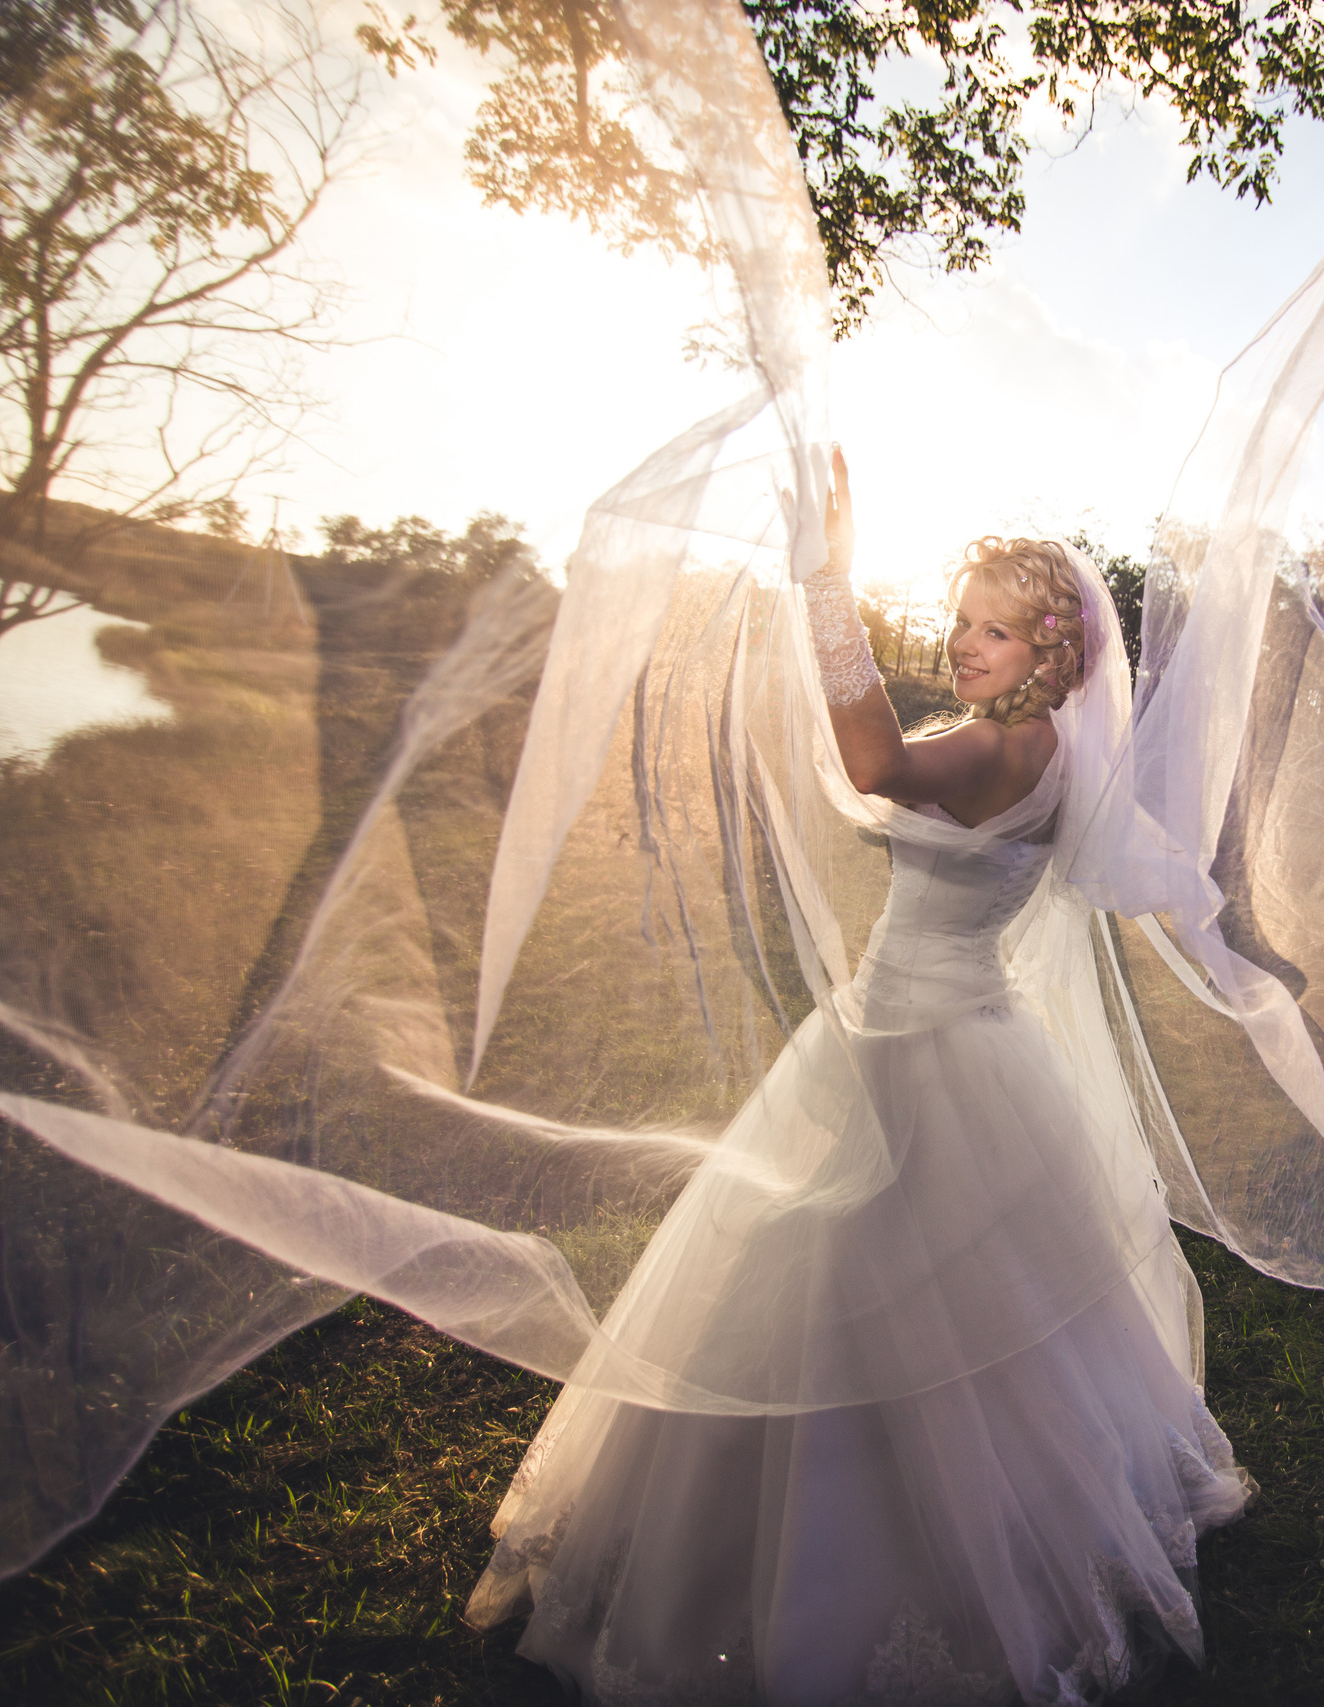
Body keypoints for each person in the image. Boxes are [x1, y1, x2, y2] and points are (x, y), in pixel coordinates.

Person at [462, 450, 1252, 1706]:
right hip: (918, 1029)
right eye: (961, 622)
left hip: (924, 1051)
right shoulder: (1019, 746)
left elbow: (875, 766)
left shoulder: (1009, 749)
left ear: (1052, 651)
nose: (968, 642)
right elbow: (897, 763)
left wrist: (824, 588)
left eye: (996, 628)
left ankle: (861, 1560)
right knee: (882, 1286)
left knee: (849, 1278)